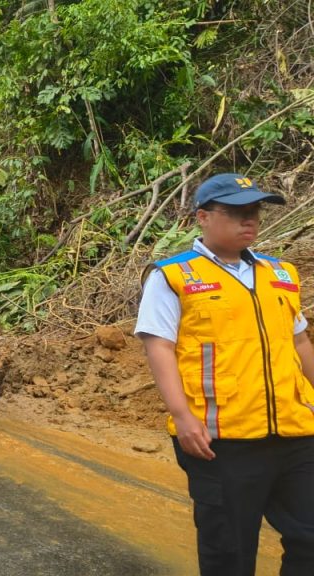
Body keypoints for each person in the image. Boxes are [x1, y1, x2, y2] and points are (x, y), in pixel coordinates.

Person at [135, 173, 314, 575]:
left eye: (254, 211)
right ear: (203, 217)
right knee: (229, 551)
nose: (249, 220)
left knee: (310, 538)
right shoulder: (174, 276)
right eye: (236, 212)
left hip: (296, 432)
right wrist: (182, 416)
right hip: (222, 439)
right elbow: (159, 347)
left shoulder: (281, 273)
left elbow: (300, 341)